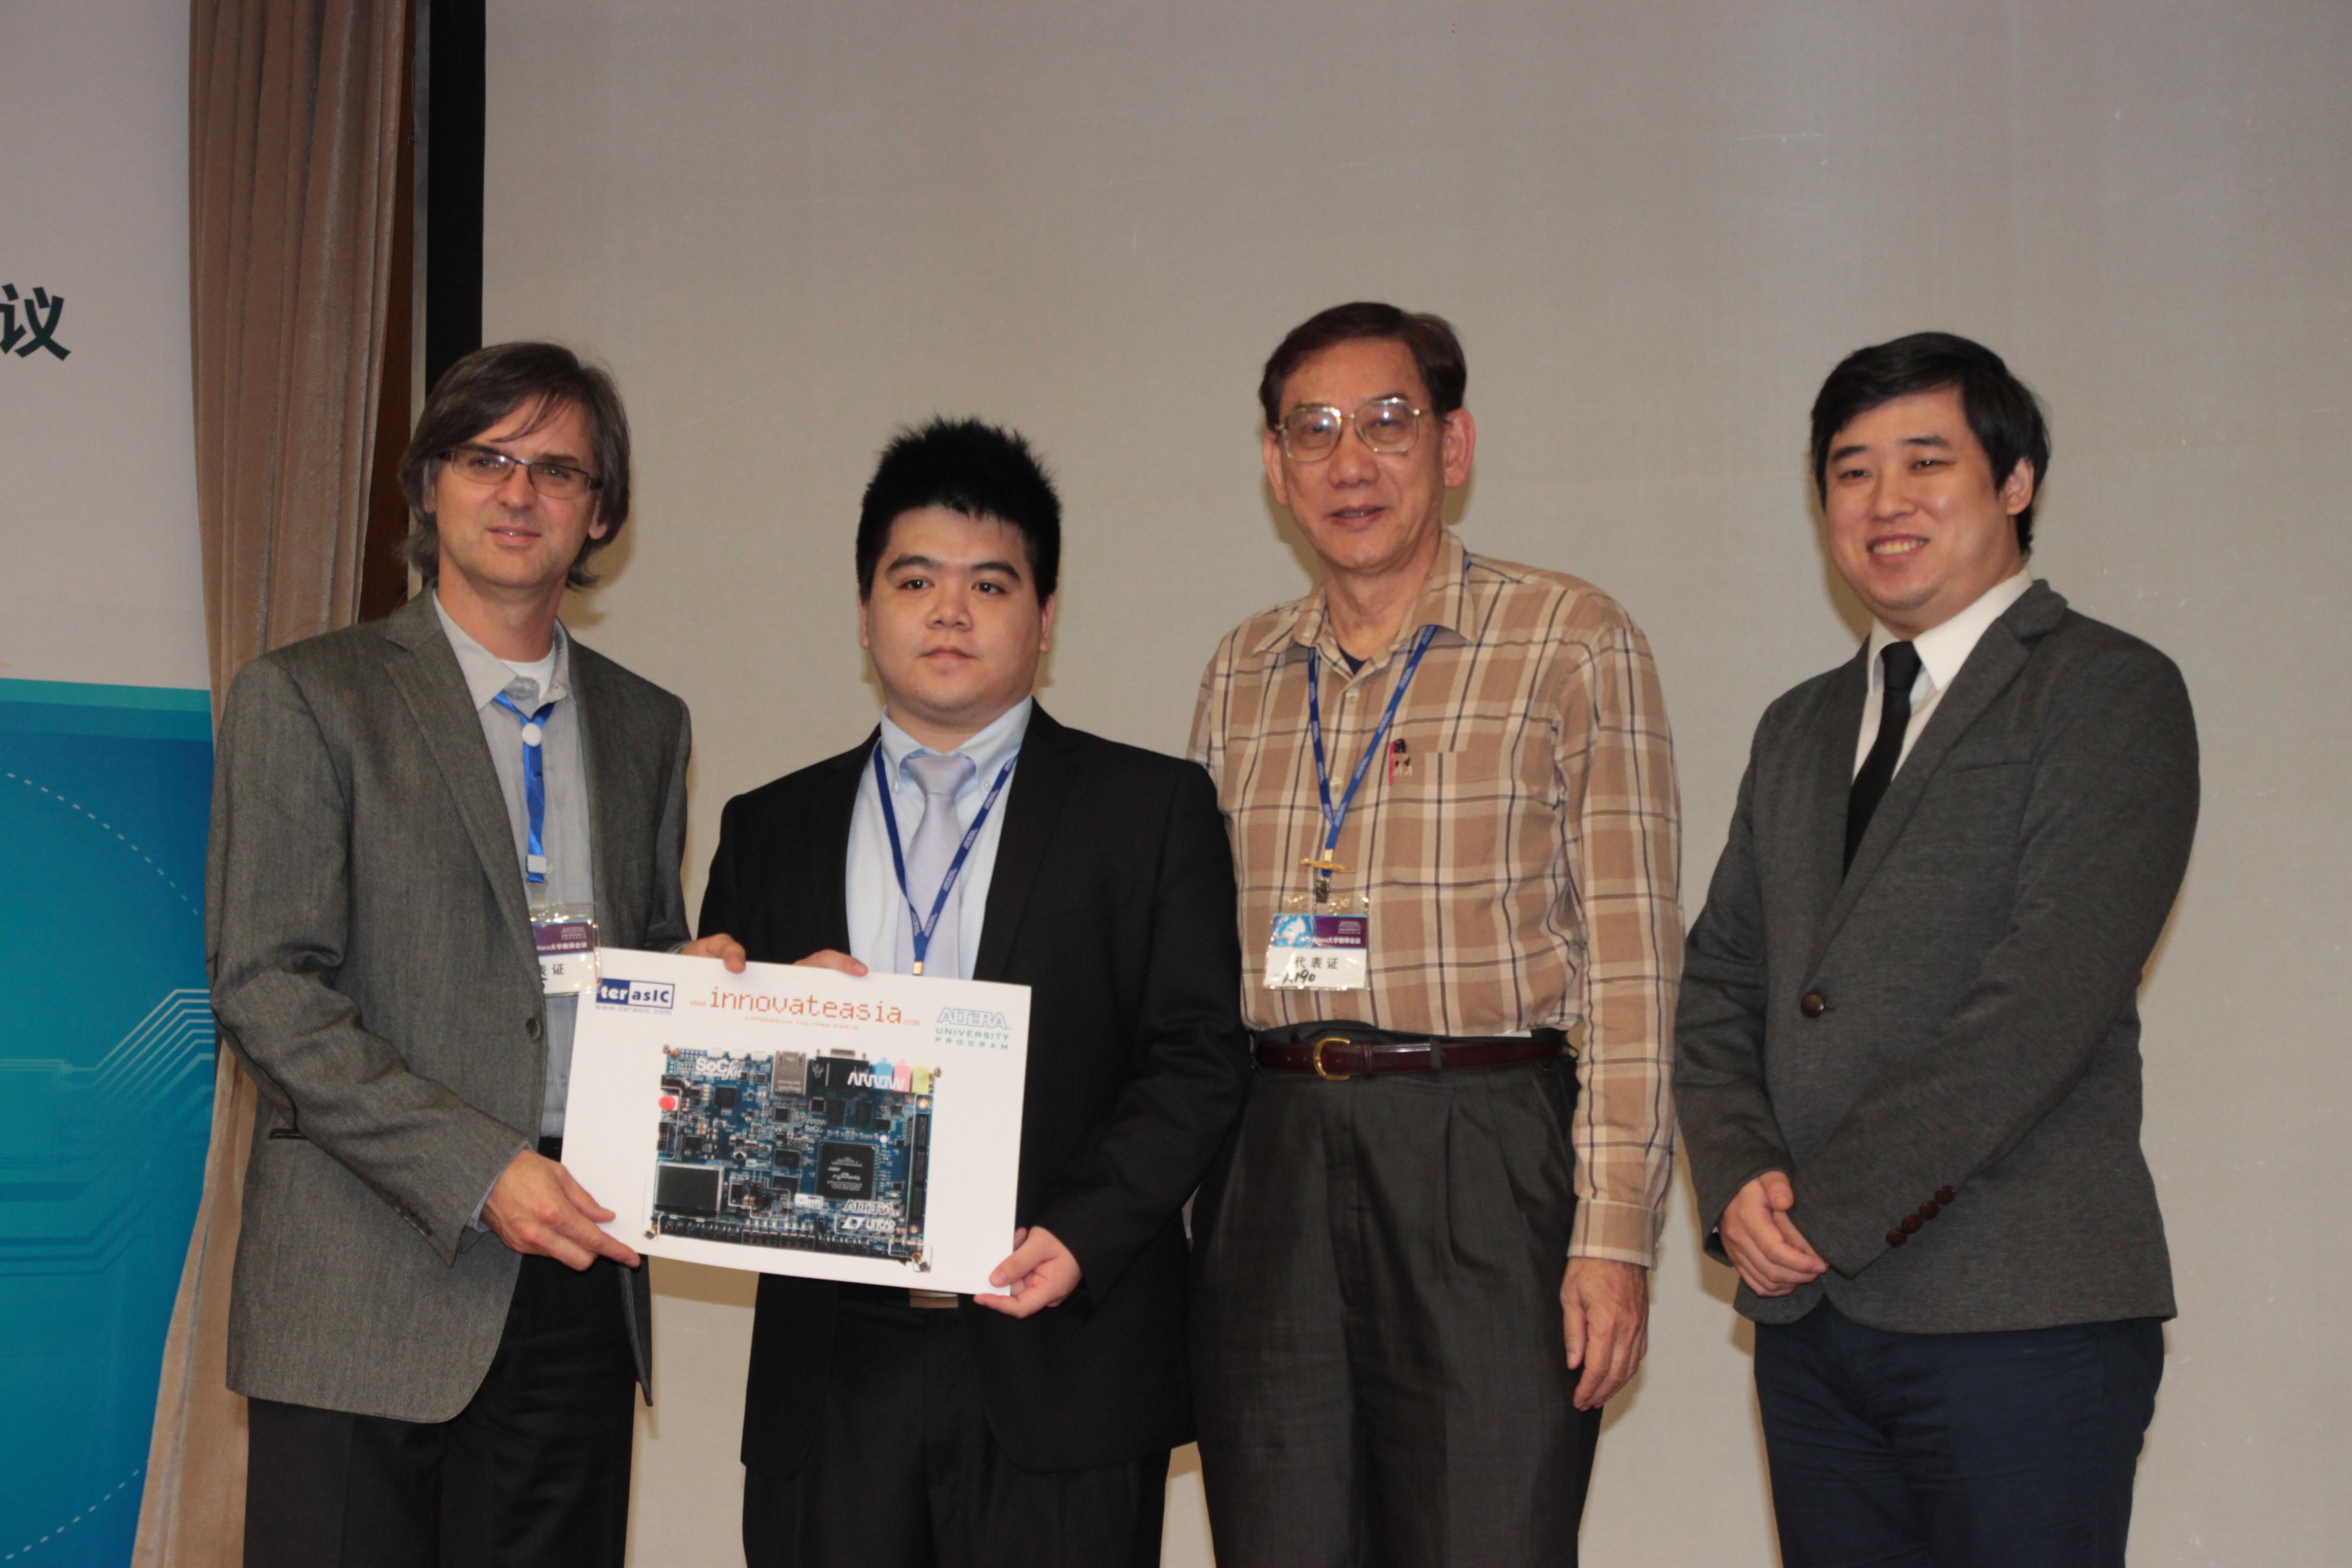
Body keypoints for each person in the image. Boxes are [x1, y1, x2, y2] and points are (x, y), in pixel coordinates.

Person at [1674, 331, 2199, 1568]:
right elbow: (1724, 986)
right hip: (1811, 1329)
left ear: (2015, 482)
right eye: (1851, 471)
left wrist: (1825, 1209)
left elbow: (2040, 1008)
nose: (1884, 501)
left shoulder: (2107, 691)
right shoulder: (1800, 725)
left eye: (1926, 461)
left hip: (2022, 1318)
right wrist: (1742, 1176)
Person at [210, 341, 735, 1567]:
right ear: (428, 484)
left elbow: (638, 955)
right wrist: (481, 1168)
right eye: (485, 459)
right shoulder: (309, 696)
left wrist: (742, 1003)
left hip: (578, 1267)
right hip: (363, 1278)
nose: (518, 492)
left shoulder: (648, 723)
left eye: (557, 470)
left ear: (600, 512)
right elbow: (267, 987)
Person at [694, 417, 1252, 1567]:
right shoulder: (768, 825)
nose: (949, 612)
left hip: (1060, 1354)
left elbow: (1198, 1060)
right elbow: (722, 1112)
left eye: (989, 584)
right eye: (915, 581)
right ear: (865, 612)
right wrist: (730, 1036)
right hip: (831, 1372)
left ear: (1045, 620)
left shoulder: (1149, 812)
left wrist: (1081, 1234)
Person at [1188, 302, 1683, 1567]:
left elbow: (1633, 967)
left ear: (1454, 446)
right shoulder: (1241, 670)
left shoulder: (1571, 639)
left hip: (1483, 1147)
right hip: (1272, 1154)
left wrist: (1612, 1233)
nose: (1350, 461)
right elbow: (1186, 961)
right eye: (1314, 430)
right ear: (1275, 466)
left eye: (1388, 423)